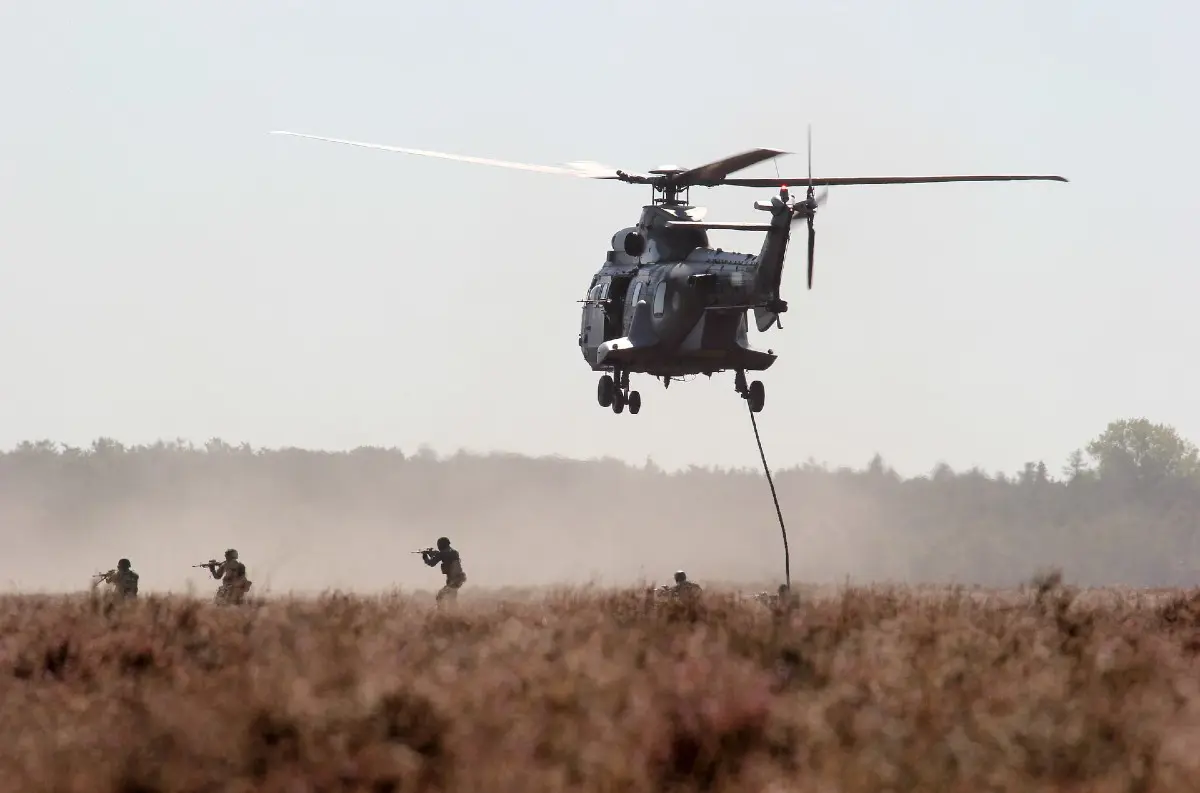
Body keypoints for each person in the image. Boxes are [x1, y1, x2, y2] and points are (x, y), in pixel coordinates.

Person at [421, 537, 467, 605]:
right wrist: (434, 554)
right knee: (451, 599)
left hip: (453, 581)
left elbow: (432, 563)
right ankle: (455, 613)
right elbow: (446, 556)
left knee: (440, 596)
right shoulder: (454, 552)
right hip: (459, 578)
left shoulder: (442, 554)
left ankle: (441, 613)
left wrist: (425, 557)